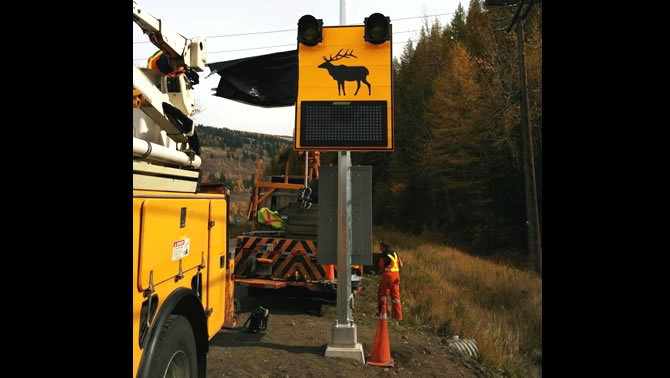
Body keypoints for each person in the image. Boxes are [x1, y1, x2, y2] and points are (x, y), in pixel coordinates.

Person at [377, 240, 403, 320]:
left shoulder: (383, 256)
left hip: (388, 276)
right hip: (397, 275)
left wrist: (377, 272)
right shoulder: (395, 253)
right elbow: (401, 265)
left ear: (384, 247)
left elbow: (381, 268)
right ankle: (398, 317)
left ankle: (384, 314)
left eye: (380, 246)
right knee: (396, 297)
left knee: (383, 295)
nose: (379, 248)